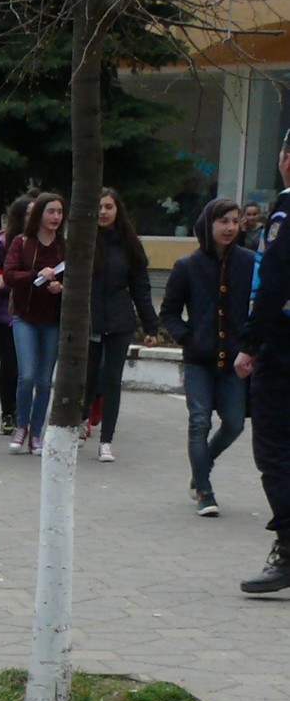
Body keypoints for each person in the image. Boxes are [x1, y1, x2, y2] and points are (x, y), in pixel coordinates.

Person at [162, 198, 256, 517]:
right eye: (223, 221)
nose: (230, 227)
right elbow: (170, 311)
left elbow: (258, 305)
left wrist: (252, 344)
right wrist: (188, 337)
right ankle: (204, 489)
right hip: (199, 360)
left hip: (234, 360)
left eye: (234, 220)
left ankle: (202, 466)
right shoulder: (187, 266)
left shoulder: (249, 262)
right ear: (208, 224)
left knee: (233, 424)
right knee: (199, 422)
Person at [240, 140, 290, 592]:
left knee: (273, 447)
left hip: (284, 346)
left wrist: (250, 344)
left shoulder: (284, 216)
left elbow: (273, 283)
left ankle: (289, 549)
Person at [84, 187, 160, 462]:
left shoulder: (129, 244)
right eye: (99, 207)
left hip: (119, 321)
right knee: (89, 376)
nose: (103, 212)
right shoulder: (83, 240)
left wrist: (151, 327)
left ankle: (107, 440)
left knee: (112, 379)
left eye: (109, 207)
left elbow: (141, 288)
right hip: (89, 321)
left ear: (118, 210)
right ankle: (83, 421)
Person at [2, 192, 68, 455]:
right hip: (25, 317)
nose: (55, 217)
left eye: (59, 212)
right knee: (27, 375)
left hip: (52, 320)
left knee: (44, 380)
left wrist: (59, 287)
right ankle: (21, 426)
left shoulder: (64, 245)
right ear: (39, 214)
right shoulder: (22, 242)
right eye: (51, 211)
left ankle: (37, 433)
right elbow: (8, 274)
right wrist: (34, 275)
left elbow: (76, 278)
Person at [0, 196, 31, 436]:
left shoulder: (44, 243)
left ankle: (24, 412)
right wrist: (3, 283)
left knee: (28, 368)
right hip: (5, 315)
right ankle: (8, 413)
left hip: (33, 313)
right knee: (10, 364)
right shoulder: (2, 243)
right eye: (29, 213)